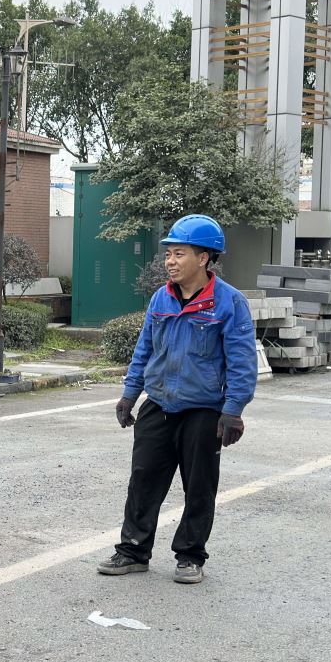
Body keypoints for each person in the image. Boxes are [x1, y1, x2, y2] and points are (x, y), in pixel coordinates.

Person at [96, 213, 258, 586]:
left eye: (179, 253)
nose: (170, 261)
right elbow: (144, 350)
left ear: (203, 257)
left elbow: (242, 362)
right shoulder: (161, 298)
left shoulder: (229, 303)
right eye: (168, 253)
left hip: (203, 410)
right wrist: (129, 395)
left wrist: (233, 411)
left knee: (199, 486)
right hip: (159, 404)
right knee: (143, 480)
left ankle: (190, 555)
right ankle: (133, 551)